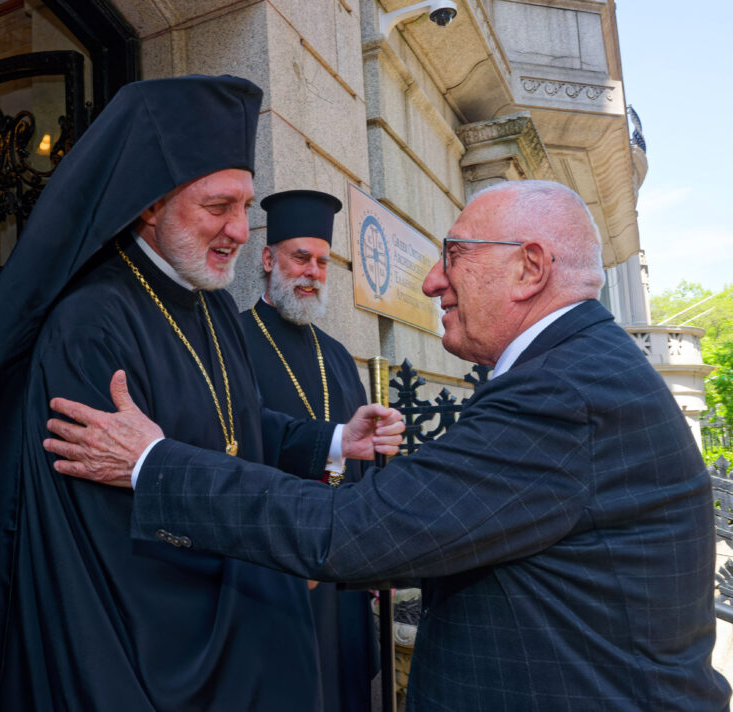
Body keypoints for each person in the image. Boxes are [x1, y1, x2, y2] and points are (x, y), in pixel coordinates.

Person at [45, 180, 733, 710]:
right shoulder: (580, 372)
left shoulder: (564, 392)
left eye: (454, 255)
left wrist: (152, 463)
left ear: (529, 268)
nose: (432, 280)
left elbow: (355, 529)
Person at [0, 74, 392, 711]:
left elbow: (237, 426)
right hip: (158, 657)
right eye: (217, 206)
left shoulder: (214, 304)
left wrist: (336, 440)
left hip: (243, 625)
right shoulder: (91, 323)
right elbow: (102, 542)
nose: (239, 229)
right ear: (150, 204)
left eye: (244, 206)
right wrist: (274, 570)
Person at [241, 189, 377, 712]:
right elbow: (242, 437)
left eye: (322, 262)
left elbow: (363, 464)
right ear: (268, 259)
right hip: (273, 571)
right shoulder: (232, 340)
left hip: (342, 568)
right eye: (301, 257)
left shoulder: (338, 356)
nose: (313, 273)